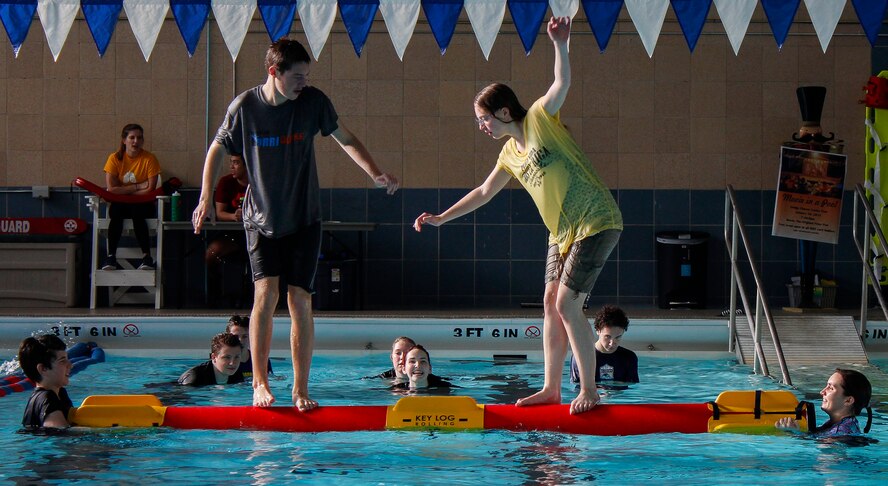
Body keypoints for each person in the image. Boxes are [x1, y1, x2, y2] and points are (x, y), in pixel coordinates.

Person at [414, 17, 622, 414]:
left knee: (567, 305)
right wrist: (441, 217)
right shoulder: (509, 153)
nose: (482, 126)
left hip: (596, 220)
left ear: (505, 111)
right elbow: (483, 192)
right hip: (561, 232)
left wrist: (560, 44)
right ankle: (551, 388)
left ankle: (589, 390)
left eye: (485, 119)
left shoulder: (541, 119)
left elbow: (561, 83)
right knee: (549, 303)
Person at [191, 38, 399, 409]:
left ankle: (300, 389)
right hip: (261, 219)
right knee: (266, 295)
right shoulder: (245, 106)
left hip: (304, 217)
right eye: (298, 76)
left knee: (300, 299)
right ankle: (259, 383)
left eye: (307, 76)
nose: (304, 82)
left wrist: (375, 172)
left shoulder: (313, 102)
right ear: (274, 72)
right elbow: (216, 149)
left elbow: (345, 138)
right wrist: (205, 196)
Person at [102, 123, 161, 271]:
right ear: (124, 140)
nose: (136, 141)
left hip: (143, 204)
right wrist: (137, 187)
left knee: (137, 212)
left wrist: (123, 191)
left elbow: (150, 189)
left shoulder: (149, 158)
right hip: (121, 203)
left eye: (139, 138)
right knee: (116, 212)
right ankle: (111, 256)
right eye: (132, 137)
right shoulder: (114, 158)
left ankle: (147, 257)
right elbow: (111, 189)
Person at [206, 154, 250, 306]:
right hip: (232, 234)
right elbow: (220, 213)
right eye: (231, 162)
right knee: (212, 252)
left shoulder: (259, 182)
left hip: (258, 234)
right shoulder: (226, 182)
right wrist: (234, 216)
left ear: (247, 165)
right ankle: (215, 295)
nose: (231, 167)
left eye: (236, 163)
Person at [776, 369, 873, 438]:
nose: (822, 392)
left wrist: (795, 434)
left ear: (848, 400)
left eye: (830, 388)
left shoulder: (841, 433)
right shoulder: (838, 426)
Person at [569, 305, 638, 385]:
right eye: (607, 337)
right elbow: (577, 387)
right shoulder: (582, 356)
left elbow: (633, 388)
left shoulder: (629, 357)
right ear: (598, 331)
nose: (612, 343)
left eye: (618, 337)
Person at [18, 334, 75, 429]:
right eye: (62, 361)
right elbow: (61, 432)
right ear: (43, 369)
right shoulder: (47, 398)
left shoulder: (60, 393)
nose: (70, 365)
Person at [178, 332, 245, 387]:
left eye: (237, 357)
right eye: (227, 357)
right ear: (213, 357)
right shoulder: (194, 379)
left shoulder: (237, 375)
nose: (232, 363)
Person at [226, 315, 272, 380]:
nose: (240, 340)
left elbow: (269, 380)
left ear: (252, 337)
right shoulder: (222, 361)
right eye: (235, 336)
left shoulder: (261, 360)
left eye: (244, 336)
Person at [390, 345, 455, 390]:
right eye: (412, 361)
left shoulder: (445, 389)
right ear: (404, 369)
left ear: (430, 369)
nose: (418, 365)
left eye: (423, 361)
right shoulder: (396, 391)